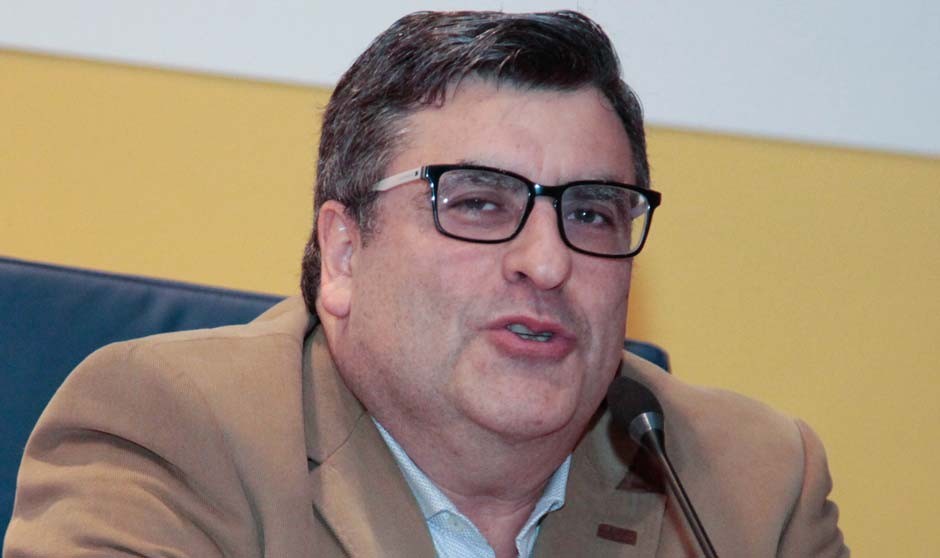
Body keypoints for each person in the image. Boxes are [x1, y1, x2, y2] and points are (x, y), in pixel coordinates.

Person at [3, 10, 848, 558]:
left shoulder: (751, 485)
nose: (548, 262)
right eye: (479, 203)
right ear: (344, 253)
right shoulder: (171, 431)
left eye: (592, 213)